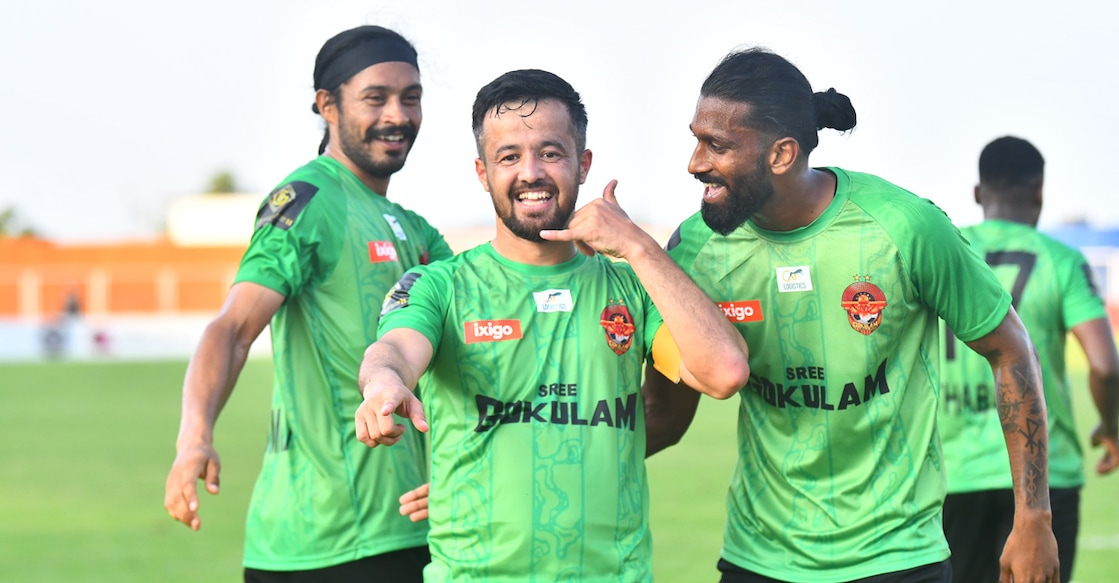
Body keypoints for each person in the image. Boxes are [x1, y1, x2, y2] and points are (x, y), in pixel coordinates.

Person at [641, 47, 1061, 582]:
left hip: (899, 558)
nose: (695, 162)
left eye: (716, 145)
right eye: (696, 139)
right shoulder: (696, 246)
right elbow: (667, 414)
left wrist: (1033, 519)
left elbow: (1010, 350)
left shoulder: (904, 227)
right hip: (758, 560)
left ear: (782, 154)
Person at [353, 69, 751, 581]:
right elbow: (396, 350)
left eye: (551, 153)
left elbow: (724, 372)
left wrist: (637, 246)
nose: (531, 172)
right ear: (482, 172)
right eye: (509, 156)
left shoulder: (632, 289)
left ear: (583, 164)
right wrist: (384, 385)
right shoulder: (440, 285)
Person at [163, 25, 452, 582]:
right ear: (327, 105)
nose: (398, 115)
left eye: (411, 97)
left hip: (408, 526)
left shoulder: (414, 229)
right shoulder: (307, 201)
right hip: (323, 542)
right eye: (376, 98)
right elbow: (233, 328)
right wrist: (195, 436)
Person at [938, 136, 1119, 583]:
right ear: (1040, 191)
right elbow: (1105, 364)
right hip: (1044, 475)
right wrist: (1111, 425)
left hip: (951, 474)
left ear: (979, 194)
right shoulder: (1061, 260)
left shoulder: (944, 253)